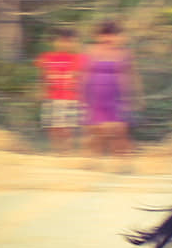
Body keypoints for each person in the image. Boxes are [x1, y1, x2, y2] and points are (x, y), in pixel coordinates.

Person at [82, 20, 142, 168]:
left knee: (120, 131)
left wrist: (136, 96)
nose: (108, 38)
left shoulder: (124, 54)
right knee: (97, 132)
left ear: (119, 36)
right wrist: (83, 96)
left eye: (112, 35)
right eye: (104, 35)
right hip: (96, 98)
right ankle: (92, 163)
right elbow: (84, 75)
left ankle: (125, 165)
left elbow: (132, 76)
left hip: (117, 98)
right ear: (98, 36)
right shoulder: (91, 51)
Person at [35, 28, 84, 153]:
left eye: (69, 41)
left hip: (71, 98)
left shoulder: (79, 59)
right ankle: (56, 151)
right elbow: (41, 76)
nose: (64, 44)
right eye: (61, 41)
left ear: (75, 42)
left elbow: (84, 78)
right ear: (54, 42)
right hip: (52, 97)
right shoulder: (46, 58)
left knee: (67, 129)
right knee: (53, 128)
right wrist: (40, 90)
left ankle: (66, 152)